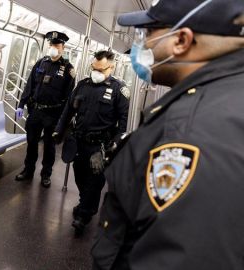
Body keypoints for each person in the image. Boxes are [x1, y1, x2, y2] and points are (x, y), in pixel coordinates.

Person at [91, 0, 244, 269]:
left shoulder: (191, 132)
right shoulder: (226, 99)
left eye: (148, 34)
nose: (144, 45)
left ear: (181, 41)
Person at [54, 50, 129, 234]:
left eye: (100, 69)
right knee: (79, 176)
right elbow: (68, 111)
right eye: (93, 68)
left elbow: (123, 123)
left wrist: (113, 146)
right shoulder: (82, 85)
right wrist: (59, 129)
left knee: (95, 181)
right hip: (79, 142)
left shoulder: (119, 90)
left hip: (100, 146)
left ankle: (84, 215)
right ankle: (85, 203)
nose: (95, 72)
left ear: (111, 68)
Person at [15, 31, 76, 188]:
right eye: (51, 45)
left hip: (53, 113)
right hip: (36, 111)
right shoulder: (41, 63)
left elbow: (68, 98)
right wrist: (21, 104)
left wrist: (62, 121)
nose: (53, 48)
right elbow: (30, 84)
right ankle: (28, 170)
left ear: (63, 47)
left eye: (56, 45)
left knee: (49, 146)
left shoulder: (68, 69)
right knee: (32, 143)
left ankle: (45, 174)